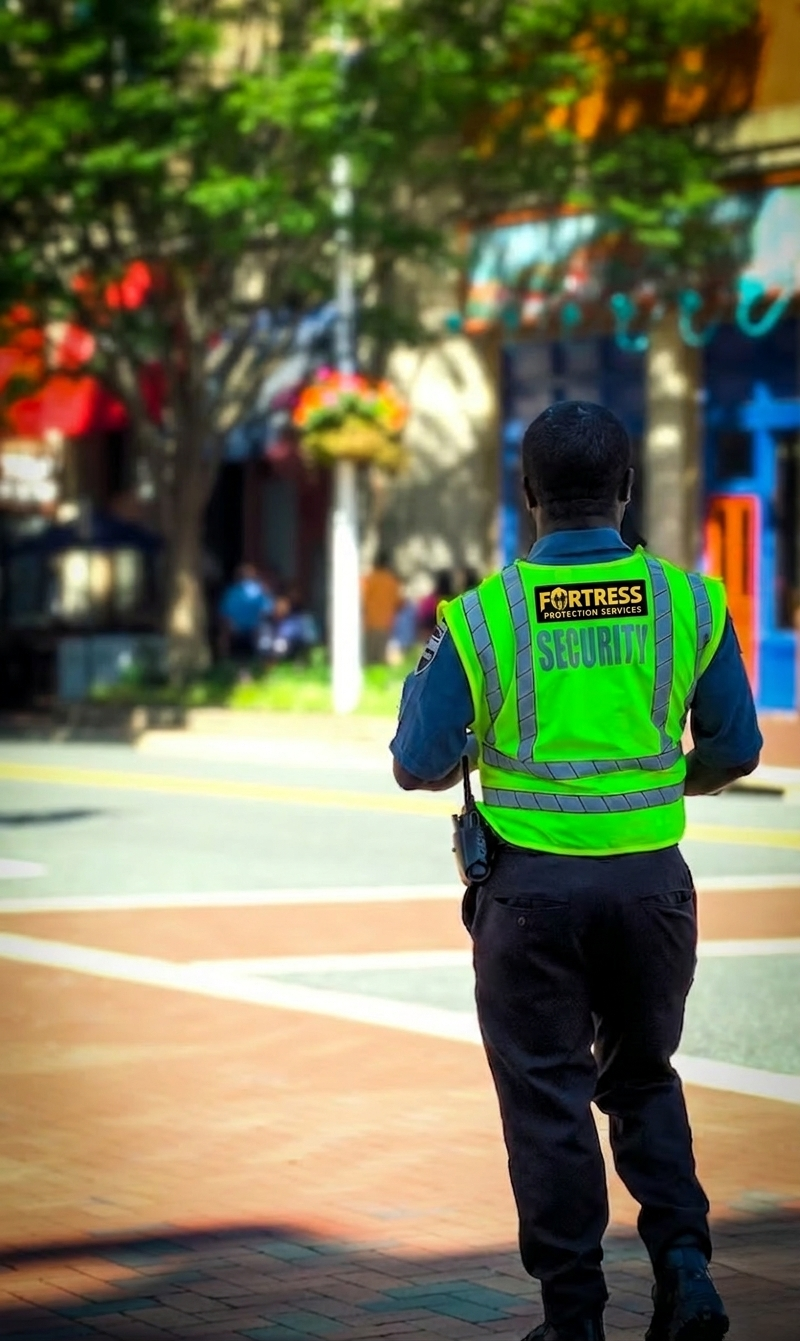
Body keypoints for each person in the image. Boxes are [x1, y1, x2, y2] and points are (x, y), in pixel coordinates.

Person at [390, 401, 761, 1341]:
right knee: (643, 1077)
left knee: (549, 1099)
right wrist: (668, 780)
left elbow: (418, 760)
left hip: (530, 905)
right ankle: (685, 1267)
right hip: (651, 889)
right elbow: (738, 746)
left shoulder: (482, 618)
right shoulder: (690, 603)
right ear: (626, 489)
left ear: (528, 497)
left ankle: (575, 1318)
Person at [218, 563, 273, 663]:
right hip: (252, 629)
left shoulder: (231, 592)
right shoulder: (260, 590)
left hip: (239, 629)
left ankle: (230, 663)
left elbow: (224, 612)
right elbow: (267, 610)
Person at [362, 552, 402, 665]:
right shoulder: (392, 581)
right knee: (380, 656)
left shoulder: (370, 579)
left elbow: (363, 598)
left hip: (370, 622)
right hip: (386, 622)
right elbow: (398, 602)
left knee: (369, 655)